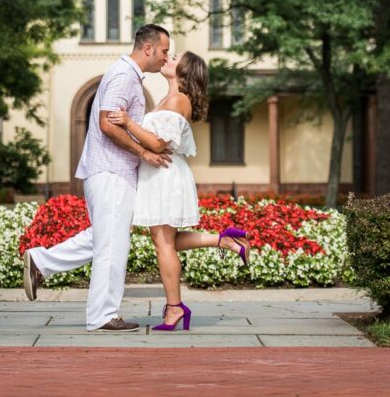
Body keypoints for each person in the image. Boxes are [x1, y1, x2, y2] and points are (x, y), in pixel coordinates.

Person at [22, 24, 172, 332]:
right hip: (111, 171)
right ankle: (103, 315)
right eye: (164, 51)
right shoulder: (123, 76)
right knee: (112, 245)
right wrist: (144, 153)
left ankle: (40, 262)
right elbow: (107, 123)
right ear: (148, 49)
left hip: (109, 171)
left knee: (104, 237)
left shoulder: (125, 75)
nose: (165, 57)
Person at [106, 51, 251, 331]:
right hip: (161, 175)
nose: (168, 57)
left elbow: (159, 144)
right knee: (166, 242)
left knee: (164, 245)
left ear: (184, 71)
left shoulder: (176, 100)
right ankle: (224, 240)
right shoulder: (170, 98)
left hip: (164, 175)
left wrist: (127, 122)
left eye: (175, 57)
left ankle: (175, 308)